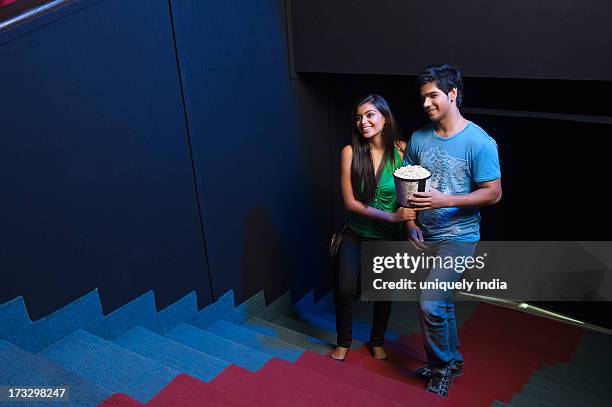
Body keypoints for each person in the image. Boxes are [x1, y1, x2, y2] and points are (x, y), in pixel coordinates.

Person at [404, 64, 502, 396]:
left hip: (459, 237)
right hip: (426, 235)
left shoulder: (479, 141)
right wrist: (409, 223)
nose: (426, 103)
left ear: (452, 94)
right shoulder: (418, 138)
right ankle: (453, 360)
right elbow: (406, 186)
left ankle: (441, 367)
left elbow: (493, 192)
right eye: (423, 97)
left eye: (433, 95)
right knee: (441, 302)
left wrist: (444, 199)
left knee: (430, 302)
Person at [331, 94, 416, 361]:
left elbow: (410, 198)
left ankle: (377, 341)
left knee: (383, 292)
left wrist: (409, 223)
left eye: (370, 115)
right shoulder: (349, 152)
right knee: (345, 288)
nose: (363, 122)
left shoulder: (403, 150)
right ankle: (343, 342)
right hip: (355, 232)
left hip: (388, 238)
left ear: (384, 118)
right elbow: (350, 203)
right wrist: (391, 217)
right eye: (358, 117)